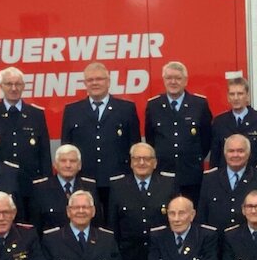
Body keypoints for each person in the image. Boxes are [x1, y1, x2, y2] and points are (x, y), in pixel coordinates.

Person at [60, 61, 140, 213]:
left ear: (108, 81)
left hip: (117, 180)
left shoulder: (126, 109)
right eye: (90, 80)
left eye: (99, 79)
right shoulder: (72, 110)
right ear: (85, 83)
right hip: (84, 180)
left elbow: (134, 147)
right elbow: (67, 148)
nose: (95, 83)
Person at [144, 61, 212, 204]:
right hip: (163, 173)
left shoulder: (199, 104)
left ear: (185, 81)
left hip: (191, 173)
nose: (173, 82)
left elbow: (206, 139)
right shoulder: (154, 105)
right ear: (164, 80)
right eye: (169, 78)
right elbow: (151, 139)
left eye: (178, 78)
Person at [0, 67, 51, 182]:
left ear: (23, 86)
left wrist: (46, 181)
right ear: (1, 86)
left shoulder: (36, 114)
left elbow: (44, 152)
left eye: (18, 84)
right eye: (8, 84)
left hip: (30, 179)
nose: (14, 88)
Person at [198, 134, 257, 232]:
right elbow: (202, 218)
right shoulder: (210, 178)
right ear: (225, 153)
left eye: (240, 151)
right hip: (216, 242)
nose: (235, 155)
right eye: (231, 151)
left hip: (248, 243)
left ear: (249, 153)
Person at [28, 144, 102, 234]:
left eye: (73, 161)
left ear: (80, 165)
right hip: (52, 245)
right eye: (63, 161)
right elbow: (35, 227)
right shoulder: (40, 188)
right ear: (55, 164)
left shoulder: (90, 187)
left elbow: (97, 223)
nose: (68, 165)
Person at [210, 76, 257, 170]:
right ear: (228, 97)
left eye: (240, 94)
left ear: (247, 96)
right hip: (226, 180)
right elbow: (215, 159)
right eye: (232, 94)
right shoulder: (219, 122)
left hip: (255, 179)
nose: (236, 98)